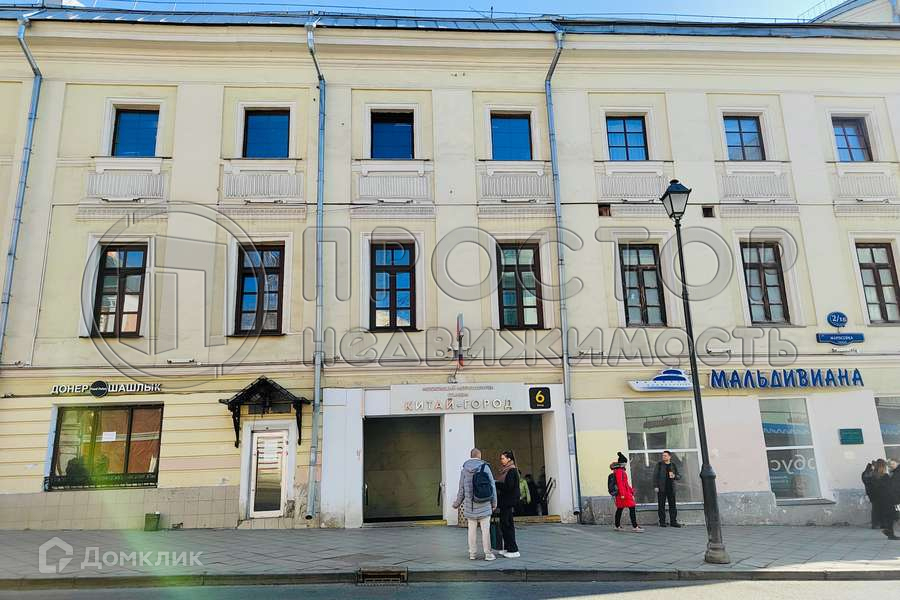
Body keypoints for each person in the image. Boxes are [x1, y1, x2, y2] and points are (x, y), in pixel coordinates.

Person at [451, 448, 498, 561]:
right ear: (479, 456)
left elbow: (461, 489)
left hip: (470, 507)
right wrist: (494, 503)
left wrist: (456, 504)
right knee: (485, 531)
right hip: (484, 505)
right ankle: (488, 554)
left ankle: (472, 554)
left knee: (471, 531)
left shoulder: (464, 470)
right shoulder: (485, 467)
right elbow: (492, 486)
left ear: (471, 456)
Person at [495, 450, 521, 558]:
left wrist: (496, 484)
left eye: (503, 458)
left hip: (508, 501)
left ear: (509, 459)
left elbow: (508, 487)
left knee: (506, 525)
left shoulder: (511, 470)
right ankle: (507, 548)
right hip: (506, 502)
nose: (501, 460)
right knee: (505, 524)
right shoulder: (507, 470)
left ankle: (513, 549)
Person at [611, 452, 644, 533]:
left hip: (623, 493)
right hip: (623, 494)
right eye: (625, 463)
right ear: (622, 463)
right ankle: (635, 526)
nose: (626, 464)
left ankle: (617, 526)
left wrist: (631, 491)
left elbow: (625, 483)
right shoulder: (620, 471)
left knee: (620, 509)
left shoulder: (619, 471)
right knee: (632, 508)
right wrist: (623, 494)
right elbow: (620, 483)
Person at [869, 459, 898, 540]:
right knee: (891, 516)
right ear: (882, 467)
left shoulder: (872, 476)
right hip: (887, 500)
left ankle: (887, 530)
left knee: (886, 516)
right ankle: (890, 534)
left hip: (878, 500)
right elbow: (890, 489)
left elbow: (871, 489)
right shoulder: (885, 476)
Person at [655, 450, 682, 528]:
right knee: (661, 506)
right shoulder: (659, 464)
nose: (663, 457)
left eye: (665, 455)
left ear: (669, 457)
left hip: (671, 488)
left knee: (672, 505)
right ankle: (662, 522)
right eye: (663, 456)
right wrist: (656, 486)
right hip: (662, 488)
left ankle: (673, 522)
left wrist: (675, 476)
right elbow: (655, 476)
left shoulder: (673, 465)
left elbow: (679, 475)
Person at [862, 461, 878, 529]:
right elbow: (869, 481)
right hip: (873, 493)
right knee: (875, 508)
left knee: (875, 508)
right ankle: (875, 524)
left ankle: (875, 523)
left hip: (871, 492)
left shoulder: (866, 472)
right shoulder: (869, 473)